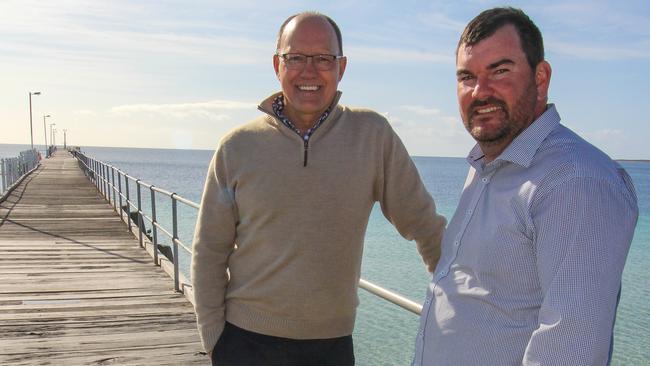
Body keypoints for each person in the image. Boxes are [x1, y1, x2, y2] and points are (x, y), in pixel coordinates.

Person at [191, 11, 446, 366]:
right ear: (277, 64)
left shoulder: (372, 136)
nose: (309, 71)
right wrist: (214, 340)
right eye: (295, 57)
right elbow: (209, 251)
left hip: (331, 347)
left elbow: (425, 226)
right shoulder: (237, 146)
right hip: (244, 343)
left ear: (341, 67)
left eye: (323, 58)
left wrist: (463, 303)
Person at [413, 7, 638, 366]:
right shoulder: (488, 166)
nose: (479, 92)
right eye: (467, 77)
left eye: (500, 71)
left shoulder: (575, 181)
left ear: (541, 77)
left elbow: (569, 349)